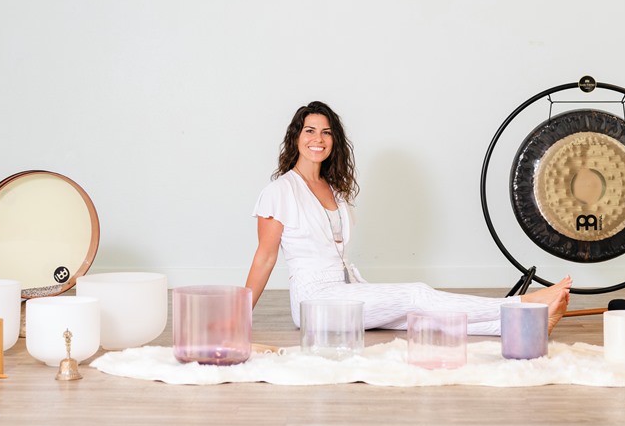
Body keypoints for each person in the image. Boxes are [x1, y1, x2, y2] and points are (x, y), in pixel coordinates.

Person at [244, 100, 571, 336]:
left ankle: (526, 327)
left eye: (326, 132)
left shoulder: (334, 189)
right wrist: (238, 316)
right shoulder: (280, 191)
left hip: (348, 290)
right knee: (416, 294)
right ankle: (522, 306)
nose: (318, 139)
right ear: (296, 137)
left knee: (422, 318)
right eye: (310, 131)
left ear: (334, 141)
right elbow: (265, 258)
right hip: (315, 301)